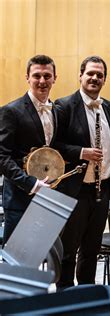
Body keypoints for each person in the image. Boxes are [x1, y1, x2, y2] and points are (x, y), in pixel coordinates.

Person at [54, 56, 110, 290]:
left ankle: (86, 292)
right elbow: (54, 146)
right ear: (80, 75)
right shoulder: (63, 105)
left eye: (99, 75)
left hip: (102, 189)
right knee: (68, 248)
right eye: (90, 73)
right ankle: (64, 292)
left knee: (92, 247)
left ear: (104, 79)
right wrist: (82, 152)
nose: (94, 78)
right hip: (75, 189)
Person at [0, 55, 57, 243]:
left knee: (45, 258)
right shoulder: (11, 111)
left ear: (55, 78)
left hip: (48, 198)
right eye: (37, 76)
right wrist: (31, 184)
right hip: (19, 198)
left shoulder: (57, 110)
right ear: (27, 77)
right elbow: (2, 157)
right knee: (18, 264)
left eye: (47, 76)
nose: (42, 81)